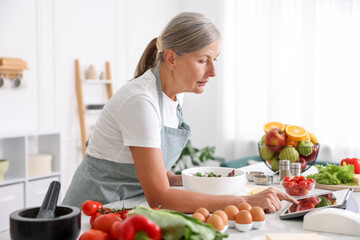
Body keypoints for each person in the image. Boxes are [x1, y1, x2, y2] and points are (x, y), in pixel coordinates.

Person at [63, 12, 298, 213]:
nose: (213, 71)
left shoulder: (174, 93)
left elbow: (152, 161)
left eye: (215, 59)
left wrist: (185, 179)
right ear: (171, 58)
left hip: (128, 206)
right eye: (204, 60)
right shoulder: (141, 101)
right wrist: (245, 201)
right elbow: (160, 198)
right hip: (93, 211)